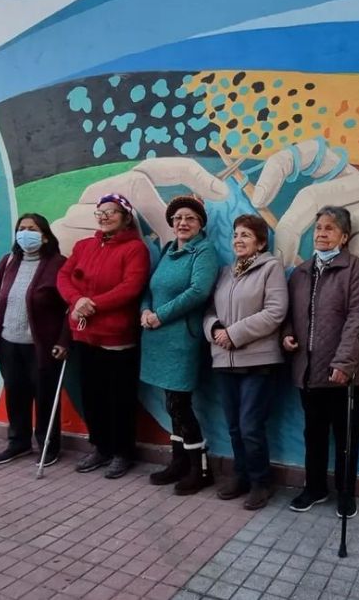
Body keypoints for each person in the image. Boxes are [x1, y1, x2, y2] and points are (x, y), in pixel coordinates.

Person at [282, 205, 359, 519]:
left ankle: (346, 492)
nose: (322, 234)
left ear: (344, 236)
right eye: (318, 228)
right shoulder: (301, 272)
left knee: (347, 435)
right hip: (308, 370)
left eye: (329, 229)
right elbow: (291, 314)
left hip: (344, 372)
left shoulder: (355, 270)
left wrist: (344, 362)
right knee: (314, 431)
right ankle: (315, 487)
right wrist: (287, 334)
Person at [57, 194, 150, 479]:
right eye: (101, 212)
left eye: (112, 212)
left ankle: (123, 452)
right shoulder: (84, 246)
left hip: (117, 337)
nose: (105, 216)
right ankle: (100, 447)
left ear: (125, 217)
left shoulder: (135, 249)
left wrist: (92, 304)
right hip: (85, 335)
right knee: (92, 395)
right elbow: (64, 276)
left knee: (118, 398)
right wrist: (76, 300)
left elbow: (131, 287)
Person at [204, 214, 288, 510]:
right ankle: (241, 475)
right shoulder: (226, 273)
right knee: (234, 427)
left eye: (246, 235)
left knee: (250, 425)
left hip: (258, 360)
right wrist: (215, 329)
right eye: (236, 235)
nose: (238, 240)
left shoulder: (271, 268)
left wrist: (234, 334)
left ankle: (260, 482)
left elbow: (275, 312)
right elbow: (210, 309)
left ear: (261, 242)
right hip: (224, 360)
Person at [140, 195, 220, 494]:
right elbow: (150, 287)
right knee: (171, 405)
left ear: (200, 224)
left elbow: (199, 291)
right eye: (177, 219)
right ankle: (178, 463)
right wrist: (145, 311)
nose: (182, 223)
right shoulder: (167, 250)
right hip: (157, 339)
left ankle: (200, 469)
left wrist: (160, 315)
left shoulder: (204, 251)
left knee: (179, 404)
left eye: (189, 218)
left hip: (180, 342)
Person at [0, 213, 70, 466]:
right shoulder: (8, 262)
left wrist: (63, 341)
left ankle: (48, 446)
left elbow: (69, 308)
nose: (25, 233)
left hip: (43, 347)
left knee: (45, 397)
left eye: (32, 228)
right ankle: (18, 443)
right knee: (15, 394)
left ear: (45, 235)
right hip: (8, 343)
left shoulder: (59, 264)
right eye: (22, 228)